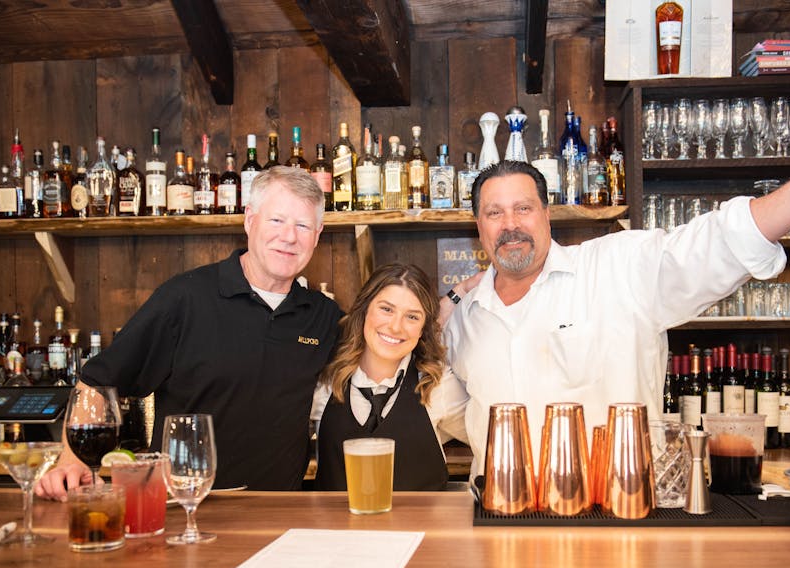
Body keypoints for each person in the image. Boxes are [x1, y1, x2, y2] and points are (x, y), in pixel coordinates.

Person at [442, 103, 790, 477]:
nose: (510, 225)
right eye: (494, 213)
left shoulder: (616, 268)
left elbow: (712, 246)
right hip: (500, 516)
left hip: (614, 513)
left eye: (523, 208)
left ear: (547, 215)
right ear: (478, 227)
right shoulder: (464, 317)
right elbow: (452, 410)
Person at [38, 167, 342, 499]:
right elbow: (97, 381)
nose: (289, 236)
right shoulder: (185, 298)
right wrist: (72, 460)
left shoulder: (322, 316)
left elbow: (381, 352)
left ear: (318, 234)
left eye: (302, 225)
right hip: (182, 510)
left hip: (275, 515)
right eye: (276, 221)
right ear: (249, 220)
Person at [311, 263, 468, 491]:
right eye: (386, 309)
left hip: (423, 525)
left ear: (424, 327)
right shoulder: (325, 381)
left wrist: (464, 289)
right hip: (336, 526)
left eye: (412, 317)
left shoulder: (437, 384)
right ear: (364, 308)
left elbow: (487, 438)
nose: (395, 327)